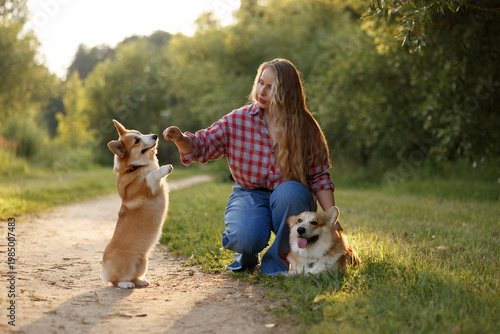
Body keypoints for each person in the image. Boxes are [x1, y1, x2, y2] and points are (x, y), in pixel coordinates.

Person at [163, 58, 335, 275]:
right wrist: (180, 139)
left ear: (287, 92)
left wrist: (330, 220)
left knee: (290, 192)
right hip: (249, 193)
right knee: (246, 237)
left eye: (271, 87)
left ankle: (278, 262)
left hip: (289, 198)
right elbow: (202, 145)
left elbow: (319, 176)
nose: (262, 91)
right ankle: (246, 253)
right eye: (261, 82)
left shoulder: (305, 128)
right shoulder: (239, 119)